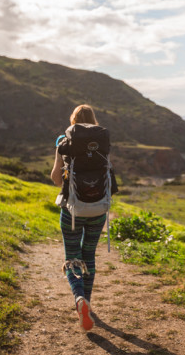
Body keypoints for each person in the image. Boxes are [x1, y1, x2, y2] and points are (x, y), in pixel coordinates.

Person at [51, 104, 109, 332]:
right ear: (94, 120)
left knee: (73, 256)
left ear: (73, 120)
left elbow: (56, 178)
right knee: (89, 255)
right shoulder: (101, 142)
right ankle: (88, 302)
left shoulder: (63, 140)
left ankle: (79, 299)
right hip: (99, 209)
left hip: (72, 210)